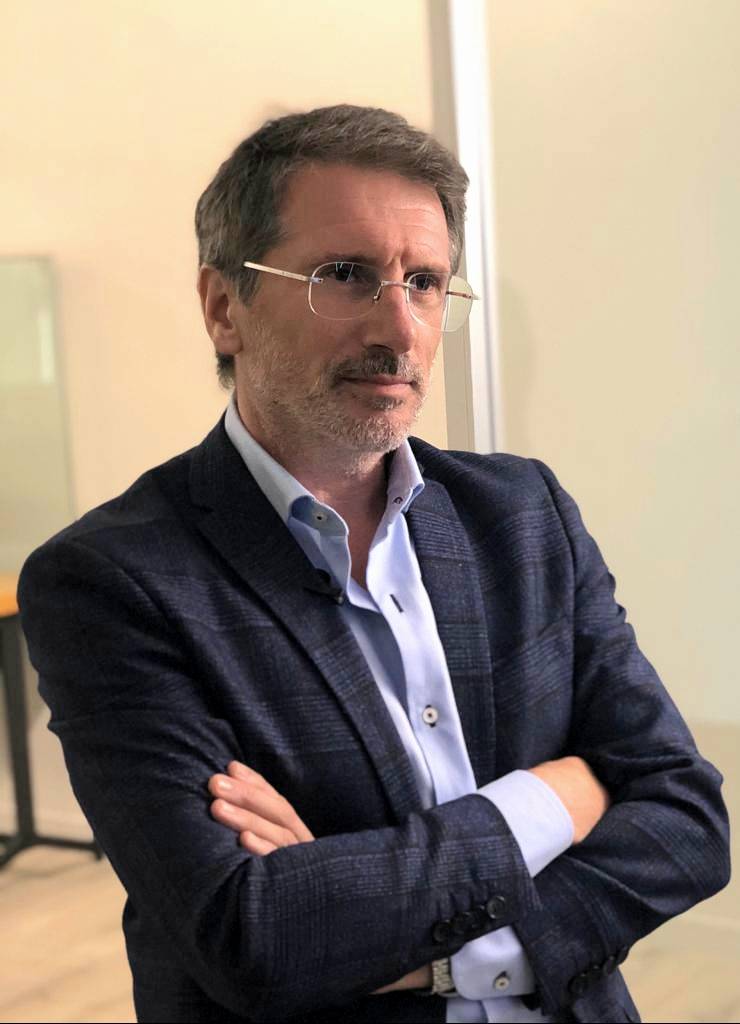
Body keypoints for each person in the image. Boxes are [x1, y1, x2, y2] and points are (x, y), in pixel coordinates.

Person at [18, 105, 729, 1024]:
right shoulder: (112, 581)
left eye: (425, 282)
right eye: (346, 275)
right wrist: (551, 798)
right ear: (224, 307)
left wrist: (442, 952)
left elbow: (687, 820)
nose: (398, 325)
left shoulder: (523, 514)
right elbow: (253, 936)